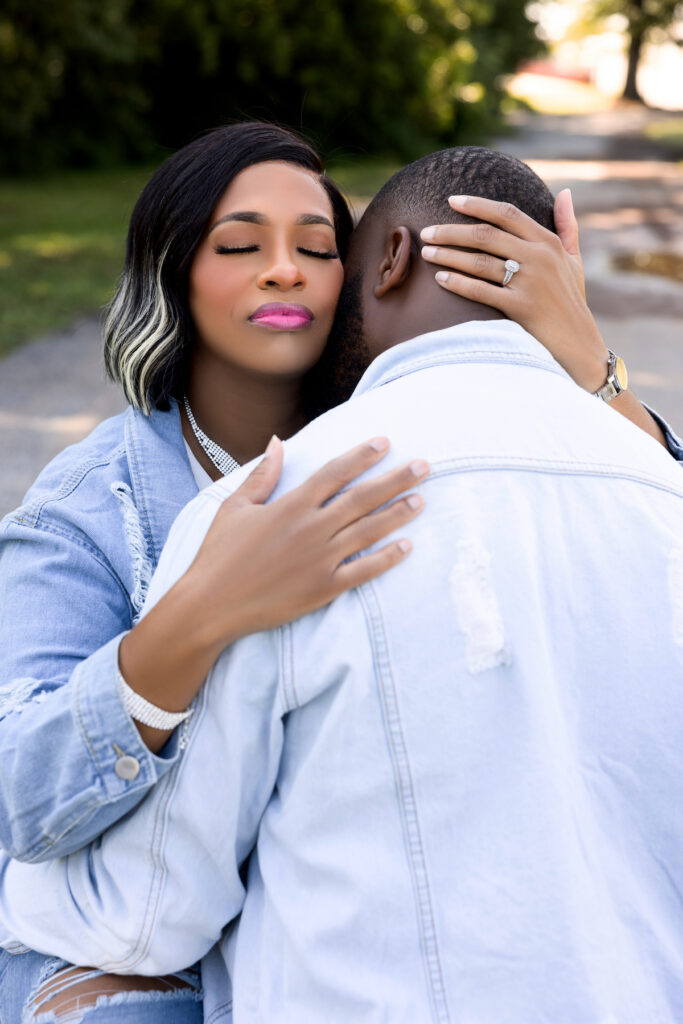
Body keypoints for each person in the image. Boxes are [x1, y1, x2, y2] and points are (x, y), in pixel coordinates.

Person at [3, 145, 683, 1023]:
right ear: (174, 276)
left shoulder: (406, 455)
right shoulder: (94, 507)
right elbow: (27, 796)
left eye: (319, 247)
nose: (283, 269)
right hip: (176, 957)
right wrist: (199, 613)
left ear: (369, 267)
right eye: (240, 246)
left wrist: (596, 372)